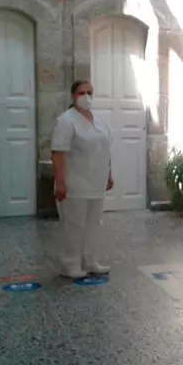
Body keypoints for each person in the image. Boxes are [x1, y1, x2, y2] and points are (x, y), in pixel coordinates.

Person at [51, 80, 114, 278]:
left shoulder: (100, 119)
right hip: (75, 183)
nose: (86, 97)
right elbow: (58, 153)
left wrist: (109, 174)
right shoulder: (66, 121)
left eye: (90, 92)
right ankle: (70, 264)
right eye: (81, 93)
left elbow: (105, 149)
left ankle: (90, 260)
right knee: (74, 225)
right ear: (73, 96)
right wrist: (60, 182)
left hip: (97, 181)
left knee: (94, 223)